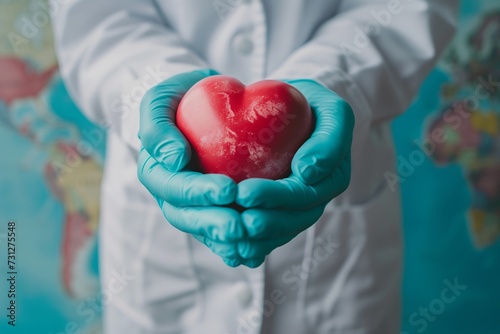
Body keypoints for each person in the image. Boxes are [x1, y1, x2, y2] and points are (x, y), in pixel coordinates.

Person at [51, 1, 458, 333]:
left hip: (338, 248)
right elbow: (96, 18)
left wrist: (337, 82)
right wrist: (154, 92)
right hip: (157, 249)